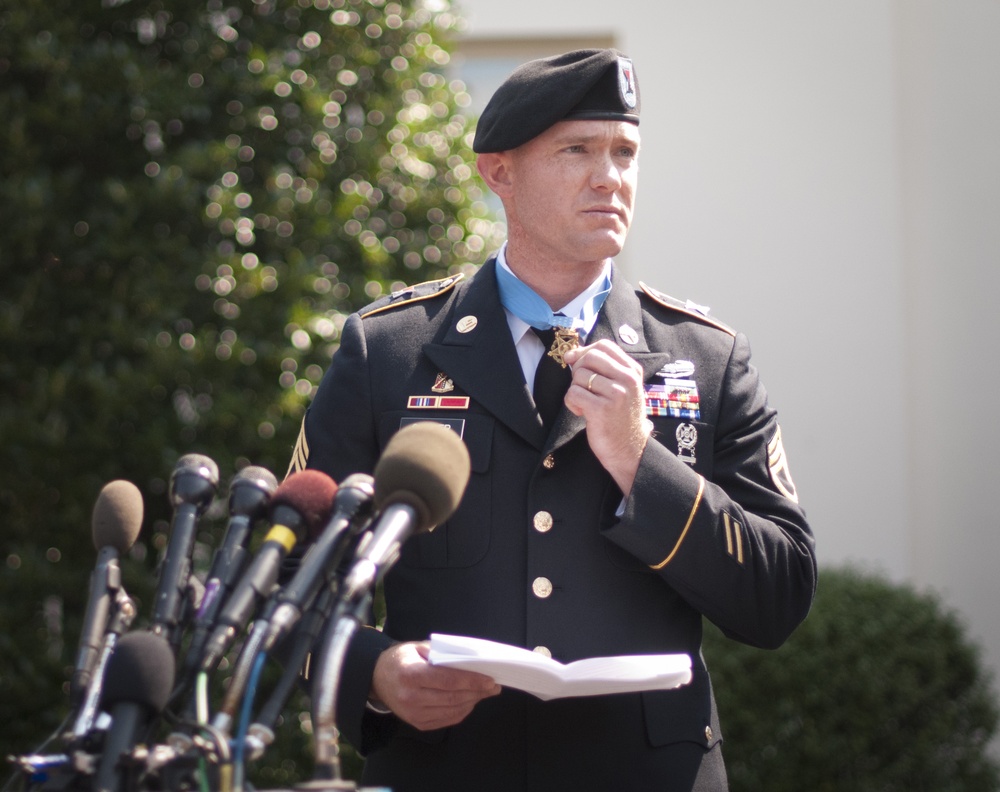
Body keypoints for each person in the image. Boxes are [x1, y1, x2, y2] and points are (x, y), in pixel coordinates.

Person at [288, 48, 816, 792]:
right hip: (448, 770)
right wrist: (374, 672)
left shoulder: (705, 357)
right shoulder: (387, 352)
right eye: (578, 151)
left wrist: (641, 461)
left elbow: (779, 596)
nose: (611, 177)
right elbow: (289, 581)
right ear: (498, 173)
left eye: (625, 152)